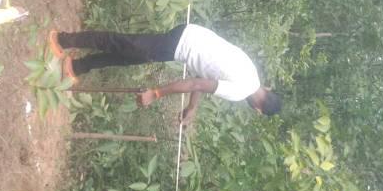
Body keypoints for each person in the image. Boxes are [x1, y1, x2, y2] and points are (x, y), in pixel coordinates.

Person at [48, 23, 282, 124]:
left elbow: (203, 78)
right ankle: (64, 40)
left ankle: (77, 66)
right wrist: (156, 93)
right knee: (124, 44)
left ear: (267, 89)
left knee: (130, 56)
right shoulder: (240, 91)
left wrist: (192, 107)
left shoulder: (252, 73)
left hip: (190, 38)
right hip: (184, 44)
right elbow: (196, 84)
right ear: (258, 110)